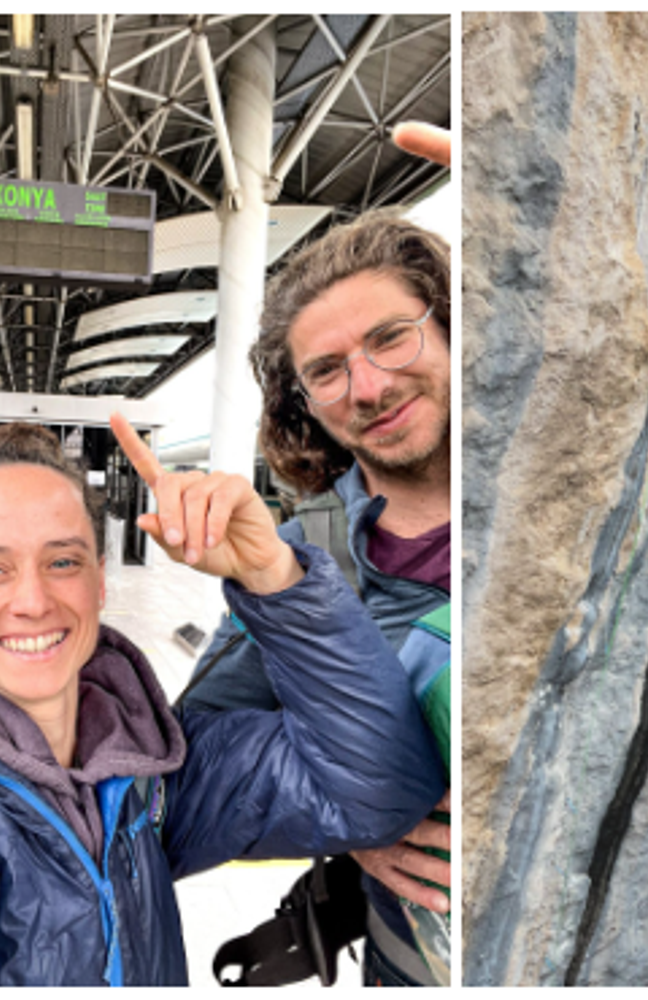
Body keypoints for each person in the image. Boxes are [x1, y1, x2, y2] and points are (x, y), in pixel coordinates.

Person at [0, 423, 445, 986]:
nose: (32, 600)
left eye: (62, 561)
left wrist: (274, 580)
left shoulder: (155, 769)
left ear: (100, 583)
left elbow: (379, 794)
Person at [180, 206, 452, 985]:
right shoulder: (302, 559)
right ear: (304, 404)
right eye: (326, 371)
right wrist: (352, 813)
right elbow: (197, 754)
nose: (368, 386)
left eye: (391, 336)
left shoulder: (573, 476)